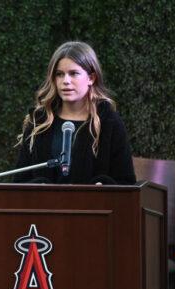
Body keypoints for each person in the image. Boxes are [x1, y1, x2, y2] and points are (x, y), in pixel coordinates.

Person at [13, 41, 136, 185]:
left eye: (73, 74)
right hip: (45, 206)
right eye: (59, 74)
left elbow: (126, 182)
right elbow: (20, 181)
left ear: (91, 78)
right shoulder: (40, 121)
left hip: (92, 206)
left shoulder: (109, 122)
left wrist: (103, 188)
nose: (66, 81)